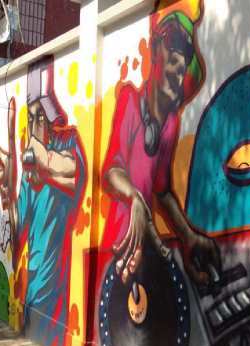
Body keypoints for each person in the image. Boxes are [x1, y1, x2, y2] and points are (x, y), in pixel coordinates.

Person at [101, 8, 219, 286]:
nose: (180, 61)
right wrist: (133, 196)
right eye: (173, 43)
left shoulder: (170, 125)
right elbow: (111, 170)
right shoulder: (129, 100)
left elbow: (162, 191)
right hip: (119, 248)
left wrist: (189, 237)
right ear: (155, 50)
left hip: (147, 253)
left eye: (187, 54)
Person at [0, 56, 87, 346]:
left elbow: (73, 172)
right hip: (33, 288)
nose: (34, 126)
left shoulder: (68, 142)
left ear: (52, 118)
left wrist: (42, 160)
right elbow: (20, 230)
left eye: (40, 117)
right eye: (30, 119)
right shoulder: (30, 174)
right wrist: (8, 202)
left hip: (57, 291)